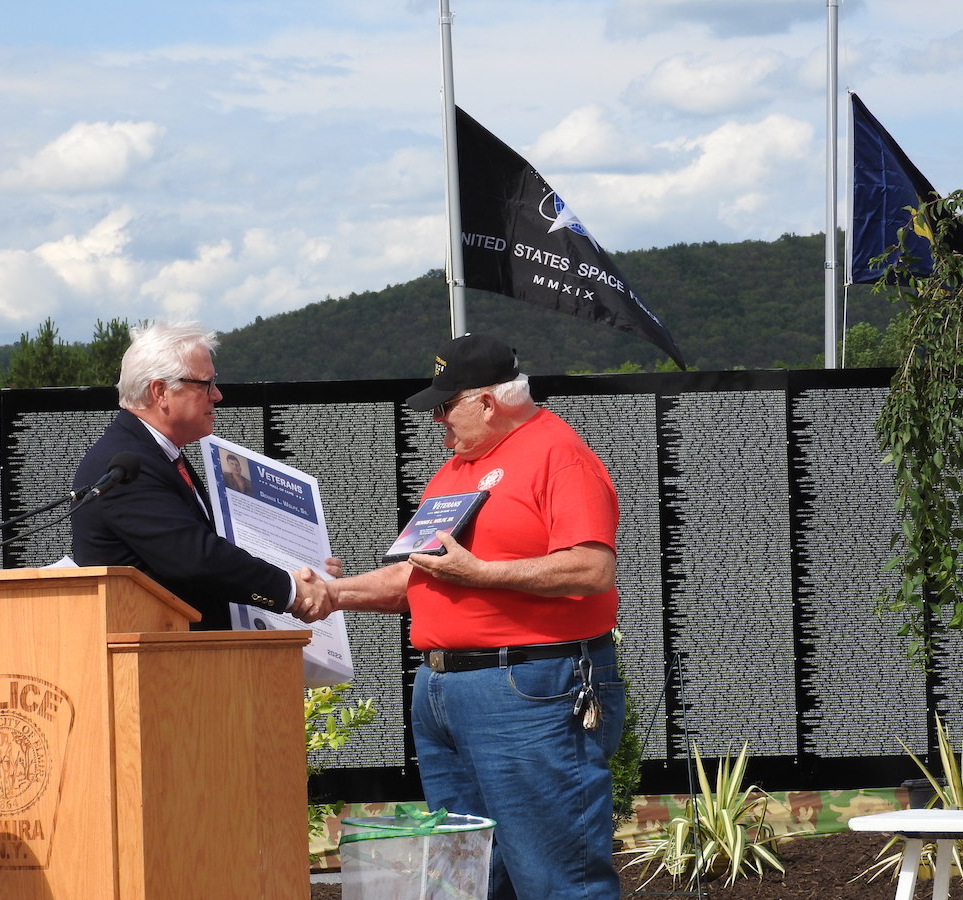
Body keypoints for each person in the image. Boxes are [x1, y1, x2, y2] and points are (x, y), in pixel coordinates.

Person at [322, 333, 626, 900]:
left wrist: (481, 574)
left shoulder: (558, 453)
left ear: (487, 401)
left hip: (529, 689)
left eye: (444, 406)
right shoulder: (455, 470)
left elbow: (590, 568)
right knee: (467, 881)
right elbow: (416, 576)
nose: (436, 420)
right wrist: (332, 593)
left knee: (555, 877)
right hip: (443, 690)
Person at [71, 321, 335, 630]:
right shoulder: (123, 467)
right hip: (162, 667)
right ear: (160, 391)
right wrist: (291, 590)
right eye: (205, 384)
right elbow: (195, 557)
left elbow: (212, 548)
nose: (218, 395)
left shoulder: (156, 455)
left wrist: (306, 569)